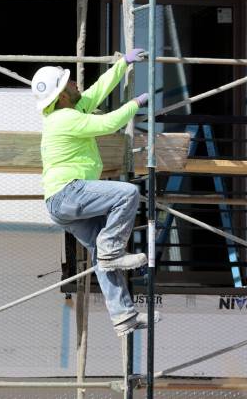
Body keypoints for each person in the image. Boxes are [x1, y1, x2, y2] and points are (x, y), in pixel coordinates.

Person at [31, 49, 159, 337]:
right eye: (71, 83)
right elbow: (107, 124)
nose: (76, 83)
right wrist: (135, 104)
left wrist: (122, 64)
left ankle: (124, 316)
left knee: (100, 255)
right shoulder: (64, 119)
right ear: (62, 95)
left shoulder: (69, 111)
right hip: (68, 193)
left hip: (60, 202)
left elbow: (98, 91)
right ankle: (112, 250)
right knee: (127, 194)